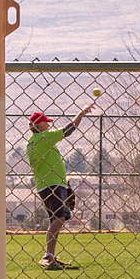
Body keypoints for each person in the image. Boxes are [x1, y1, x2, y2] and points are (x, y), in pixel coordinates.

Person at [25, 104, 94, 269]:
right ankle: (48, 255)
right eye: (46, 123)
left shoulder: (32, 142)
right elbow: (68, 130)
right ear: (40, 125)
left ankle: (51, 255)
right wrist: (81, 113)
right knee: (59, 219)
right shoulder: (44, 137)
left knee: (54, 219)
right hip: (53, 185)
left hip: (46, 185)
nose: (49, 125)